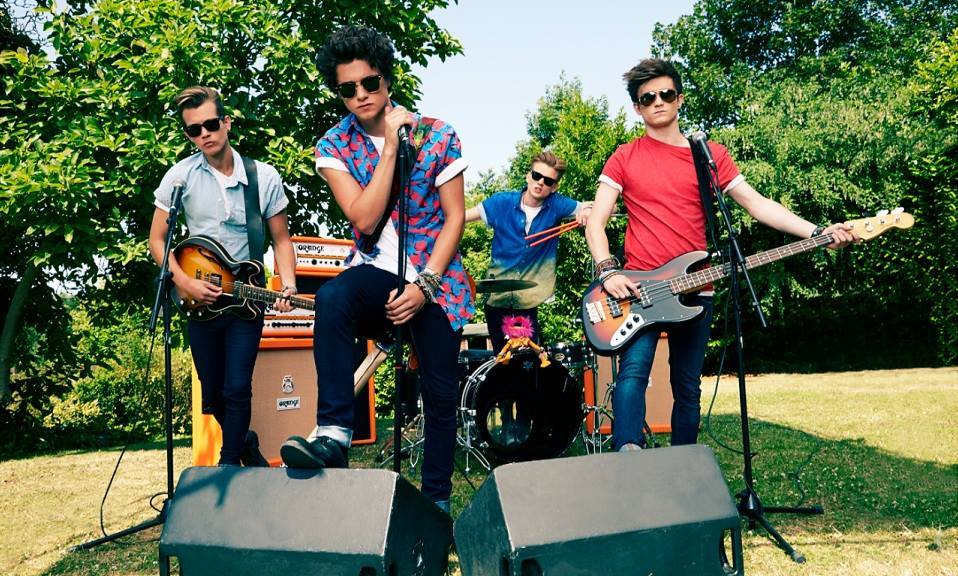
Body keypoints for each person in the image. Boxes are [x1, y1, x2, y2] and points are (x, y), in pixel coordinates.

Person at [584, 59, 858, 451]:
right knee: (633, 376)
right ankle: (629, 459)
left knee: (687, 387)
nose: (658, 102)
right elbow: (596, 222)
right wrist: (609, 272)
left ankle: (683, 468)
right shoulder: (624, 157)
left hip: (698, 288)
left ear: (680, 99)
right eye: (648, 98)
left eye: (666, 94)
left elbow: (757, 204)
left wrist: (817, 232)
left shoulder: (709, 156)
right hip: (639, 290)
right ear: (637, 108)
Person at [280, 26, 472, 514]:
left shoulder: (437, 134)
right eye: (348, 89)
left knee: (440, 391)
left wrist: (426, 285)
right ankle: (333, 434)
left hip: (436, 278)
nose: (361, 95)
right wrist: (389, 150)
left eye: (370, 83)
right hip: (376, 269)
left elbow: (455, 218)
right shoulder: (334, 144)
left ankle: (436, 502)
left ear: (387, 80)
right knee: (332, 298)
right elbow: (363, 219)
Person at [149, 86, 298, 466]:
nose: (204, 134)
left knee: (237, 388)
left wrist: (288, 285)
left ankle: (229, 463)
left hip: (245, 300)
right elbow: (157, 241)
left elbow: (281, 240)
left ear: (226, 123)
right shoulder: (179, 177)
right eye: (193, 130)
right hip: (198, 300)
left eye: (211, 125)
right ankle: (245, 442)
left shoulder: (263, 177)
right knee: (213, 392)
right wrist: (185, 283)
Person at [465, 151, 591, 353]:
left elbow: (606, 208)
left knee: (527, 361)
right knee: (502, 361)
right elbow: (459, 218)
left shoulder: (557, 205)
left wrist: (587, 211)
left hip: (528, 300)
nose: (540, 182)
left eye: (548, 181)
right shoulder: (501, 202)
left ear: (554, 187)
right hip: (497, 299)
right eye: (536, 175)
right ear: (528, 175)